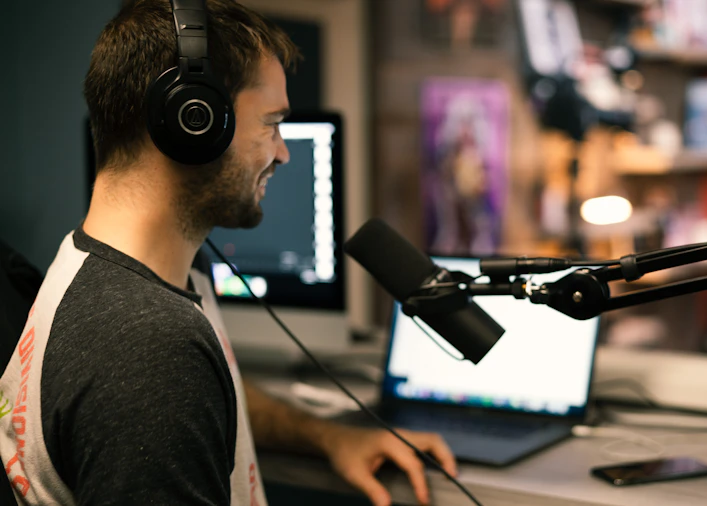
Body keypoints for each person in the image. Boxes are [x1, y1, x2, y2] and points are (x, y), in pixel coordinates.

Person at [0, 1, 456, 505]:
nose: (283, 152)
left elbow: (212, 400)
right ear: (193, 121)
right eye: (271, 123)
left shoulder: (103, 278)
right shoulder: (148, 345)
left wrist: (329, 435)